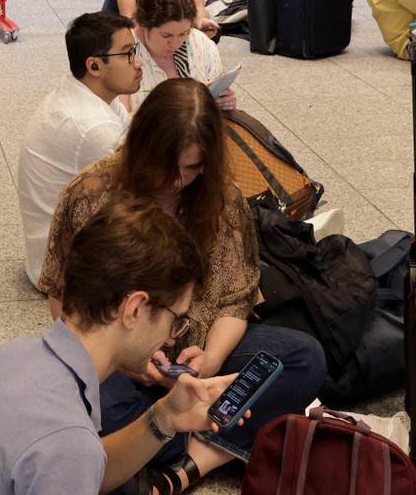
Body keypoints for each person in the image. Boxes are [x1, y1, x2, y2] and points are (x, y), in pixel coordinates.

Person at [39, 79, 325, 495]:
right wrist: (126, 360)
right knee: (89, 432)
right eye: (167, 167)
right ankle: (191, 437)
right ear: (142, 147)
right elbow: (63, 303)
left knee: (303, 358)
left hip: (195, 359)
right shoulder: (89, 194)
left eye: (192, 169)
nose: (177, 182)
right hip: (118, 359)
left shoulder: (220, 198)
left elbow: (237, 298)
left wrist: (210, 358)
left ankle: (191, 462)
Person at [0, 202, 246, 495]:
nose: (171, 338)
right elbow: (69, 457)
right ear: (134, 310)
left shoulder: (13, 356)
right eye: (175, 320)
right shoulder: (67, 440)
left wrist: (166, 417)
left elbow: (84, 470)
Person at [17, 12, 143, 286]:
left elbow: (135, 139)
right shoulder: (92, 126)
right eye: (128, 54)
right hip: (68, 275)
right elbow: (142, 189)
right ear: (94, 66)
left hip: (57, 252)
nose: (139, 63)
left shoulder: (86, 92)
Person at [127, 0, 236, 115]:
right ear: (143, 24)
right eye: (166, 35)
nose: (175, 44)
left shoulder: (201, 44)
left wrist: (223, 102)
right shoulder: (123, 54)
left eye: (183, 33)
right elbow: (116, 125)